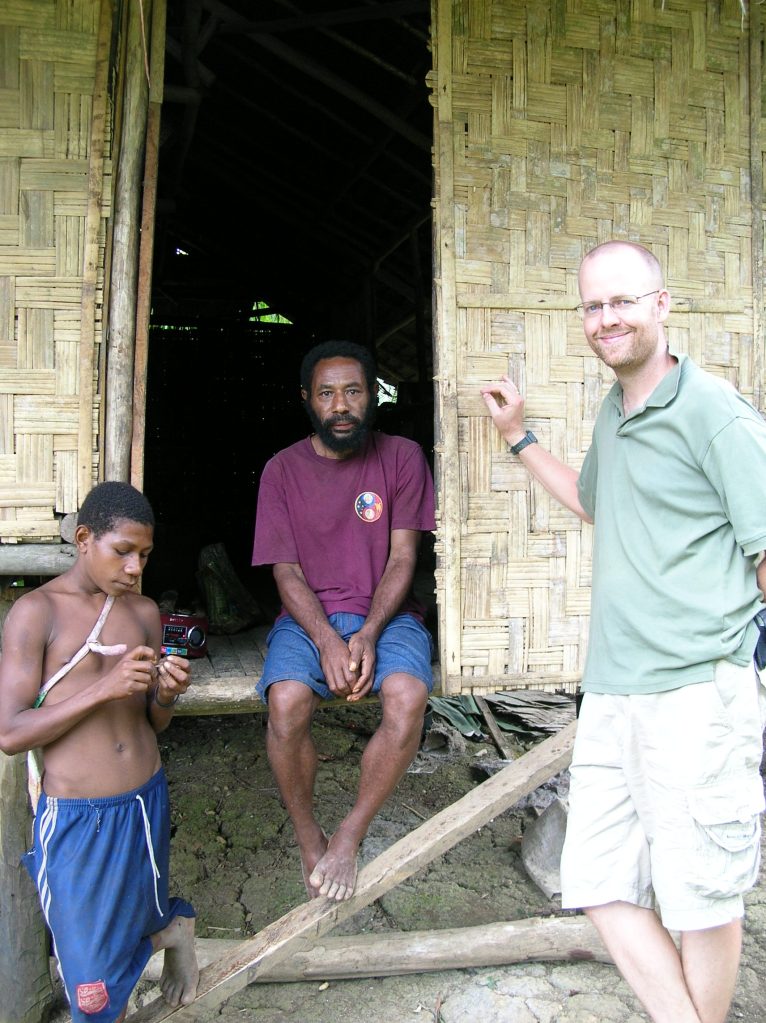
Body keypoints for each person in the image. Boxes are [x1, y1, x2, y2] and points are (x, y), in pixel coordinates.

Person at [481, 240, 766, 1023]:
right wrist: (519, 440)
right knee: (599, 882)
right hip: (614, 690)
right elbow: (597, 501)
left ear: (662, 305)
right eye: (594, 306)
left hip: (698, 691)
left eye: (624, 301)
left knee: (702, 898)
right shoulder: (618, 410)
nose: (607, 318)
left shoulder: (714, 413)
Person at [0, 481, 199, 1023]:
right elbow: (11, 733)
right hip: (77, 819)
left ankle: (174, 929)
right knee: (88, 981)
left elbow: (151, 724)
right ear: (84, 539)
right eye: (123, 552)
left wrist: (164, 694)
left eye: (145, 555)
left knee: (140, 911)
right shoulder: (35, 613)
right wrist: (103, 688)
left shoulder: (143, 613)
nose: (135, 568)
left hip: (143, 798)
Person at [252, 339, 435, 902]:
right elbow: (286, 573)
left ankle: (350, 835)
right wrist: (329, 639)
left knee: (406, 697)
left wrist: (369, 633)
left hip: (389, 614)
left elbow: (403, 559)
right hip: (308, 619)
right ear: (307, 399)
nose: (340, 405)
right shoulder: (282, 470)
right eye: (327, 393)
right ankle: (310, 837)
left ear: (372, 396)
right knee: (286, 702)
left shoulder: (402, 457)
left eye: (353, 391)